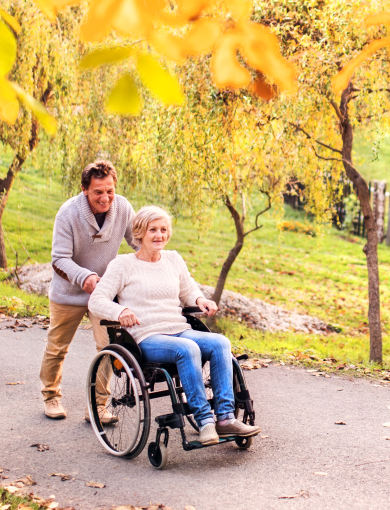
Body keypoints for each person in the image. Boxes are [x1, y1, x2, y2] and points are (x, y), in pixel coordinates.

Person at [88, 205, 260, 446]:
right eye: (153, 230)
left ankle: (225, 418)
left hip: (179, 328)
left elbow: (188, 289)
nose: (159, 235)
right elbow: (96, 301)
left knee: (220, 342)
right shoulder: (123, 265)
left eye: (163, 229)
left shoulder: (173, 259)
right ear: (139, 233)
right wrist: (121, 311)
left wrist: (200, 300)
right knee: (187, 349)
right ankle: (205, 421)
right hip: (146, 336)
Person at [40, 160, 137, 422]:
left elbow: (137, 242)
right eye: (98, 192)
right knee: (57, 347)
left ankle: (98, 406)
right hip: (69, 292)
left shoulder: (124, 208)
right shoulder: (68, 214)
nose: (105, 198)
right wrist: (85, 277)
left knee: (108, 347)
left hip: (103, 293)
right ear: (84, 189)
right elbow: (59, 259)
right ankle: (51, 396)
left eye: (110, 191)